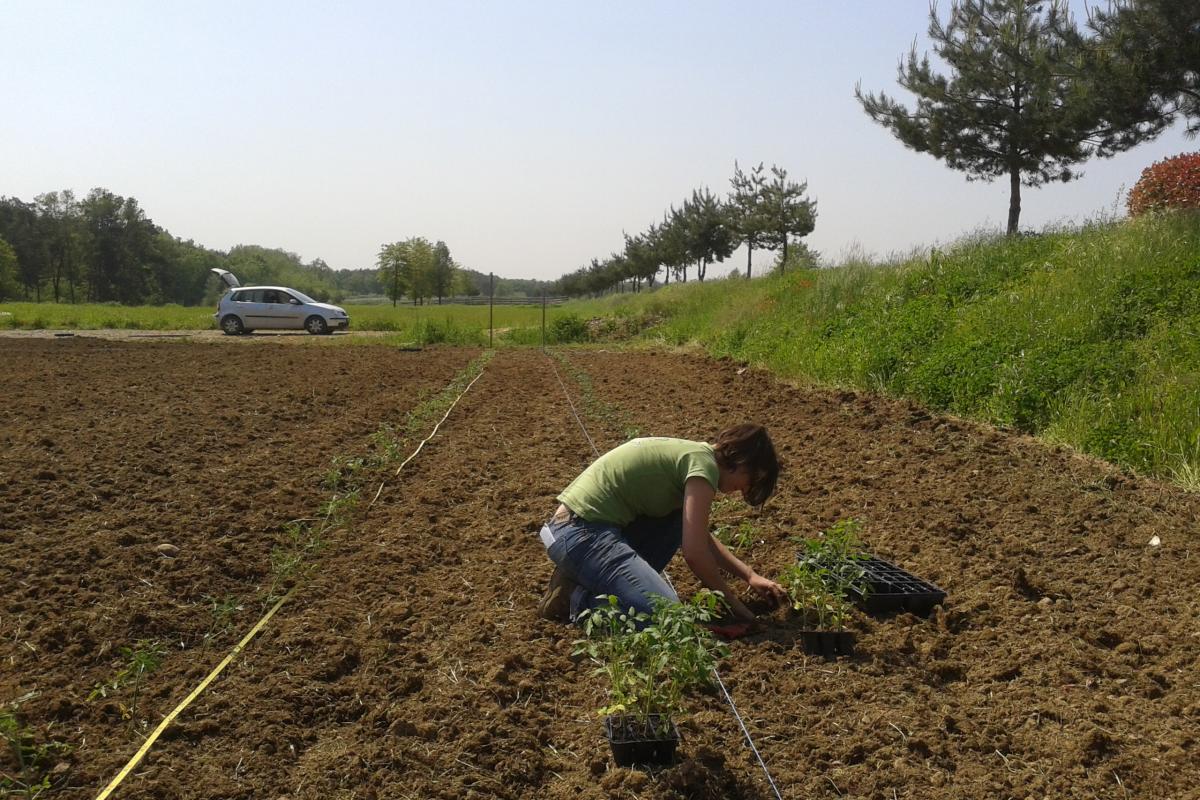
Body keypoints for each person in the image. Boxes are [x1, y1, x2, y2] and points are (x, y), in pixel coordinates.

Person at [537, 423, 787, 626]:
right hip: (582, 532)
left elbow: (700, 539)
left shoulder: (694, 455)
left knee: (675, 522)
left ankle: (581, 583)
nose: (744, 489)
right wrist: (736, 606)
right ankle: (575, 600)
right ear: (741, 460)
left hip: (577, 530)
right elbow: (695, 554)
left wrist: (749, 576)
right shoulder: (703, 466)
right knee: (668, 618)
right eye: (751, 479)